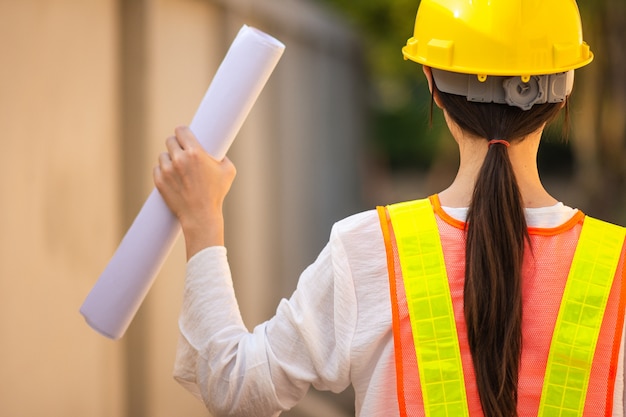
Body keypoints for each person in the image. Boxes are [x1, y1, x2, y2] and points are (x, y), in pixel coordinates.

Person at [153, 1, 626, 416]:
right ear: (565, 89)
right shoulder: (619, 266)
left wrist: (202, 218)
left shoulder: (369, 251)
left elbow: (234, 389)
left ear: (432, 83)